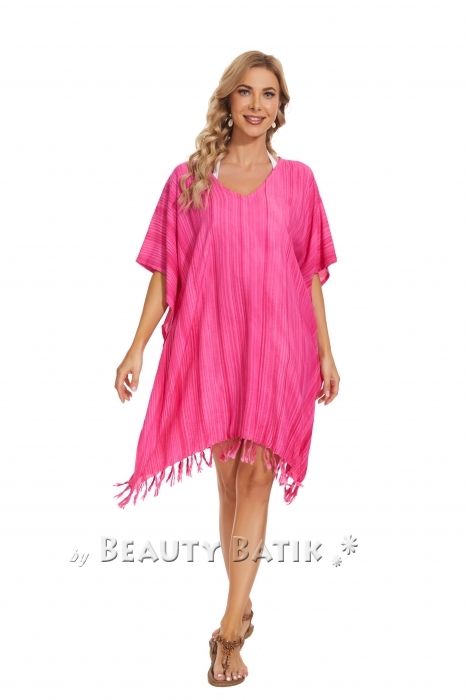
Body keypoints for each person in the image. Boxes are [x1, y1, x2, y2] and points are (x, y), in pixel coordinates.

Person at [114, 50, 340, 687]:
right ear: (228, 101)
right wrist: (136, 346)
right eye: (246, 92)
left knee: (258, 479)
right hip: (215, 349)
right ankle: (242, 603)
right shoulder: (190, 179)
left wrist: (326, 351)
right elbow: (167, 272)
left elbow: (310, 274)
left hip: (282, 349)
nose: (257, 105)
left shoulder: (299, 181)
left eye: (269, 94)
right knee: (229, 485)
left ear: (281, 109)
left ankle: (229, 630)